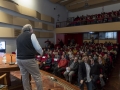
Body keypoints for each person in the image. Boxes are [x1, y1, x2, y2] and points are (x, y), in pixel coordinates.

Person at [16, 24, 43, 90]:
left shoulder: (18, 37)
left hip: (19, 59)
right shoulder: (32, 35)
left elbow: (17, 50)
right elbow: (37, 47)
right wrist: (41, 53)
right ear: (31, 30)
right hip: (28, 59)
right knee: (37, 76)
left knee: (24, 77)